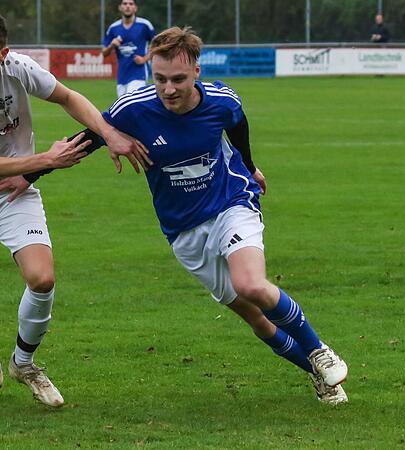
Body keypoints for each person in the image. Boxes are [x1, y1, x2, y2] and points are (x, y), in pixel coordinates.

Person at [97, 27, 349, 405]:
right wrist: (31, 172)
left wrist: (250, 165)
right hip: (183, 231)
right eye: (160, 78)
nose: (168, 89)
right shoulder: (133, 109)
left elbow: (238, 124)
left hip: (232, 202)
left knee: (251, 284)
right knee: (256, 318)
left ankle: (318, 350)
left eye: (178, 79)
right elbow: (88, 136)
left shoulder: (221, 100)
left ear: (196, 71)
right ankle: (319, 376)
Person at [0, 12, 147, 407]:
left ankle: (24, 364)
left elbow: (69, 97)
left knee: (42, 278)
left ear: (3, 53)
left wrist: (109, 134)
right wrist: (44, 161)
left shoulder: (19, 68)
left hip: (13, 194)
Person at [102, 0, 155, 97]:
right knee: (124, 108)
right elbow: (104, 53)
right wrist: (112, 45)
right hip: (122, 75)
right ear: (120, 7)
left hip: (139, 73)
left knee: (133, 102)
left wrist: (144, 59)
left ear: (135, 8)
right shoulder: (113, 28)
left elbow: (158, 45)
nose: (128, 6)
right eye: (125, 4)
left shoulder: (145, 25)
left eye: (131, 4)